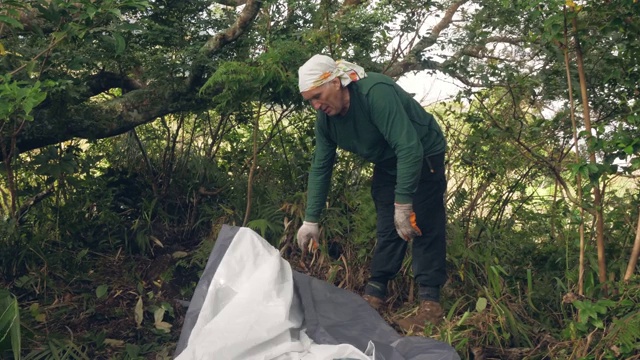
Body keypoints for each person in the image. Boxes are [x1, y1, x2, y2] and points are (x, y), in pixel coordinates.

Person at [295, 54, 448, 331]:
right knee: (388, 227)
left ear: (336, 83)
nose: (316, 105)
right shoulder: (326, 120)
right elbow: (320, 167)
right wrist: (311, 220)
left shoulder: (375, 94)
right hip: (388, 162)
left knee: (422, 222)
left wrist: (403, 204)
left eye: (318, 95)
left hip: (423, 154)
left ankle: (430, 305)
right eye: (310, 101)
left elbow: (409, 148)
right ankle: (375, 295)